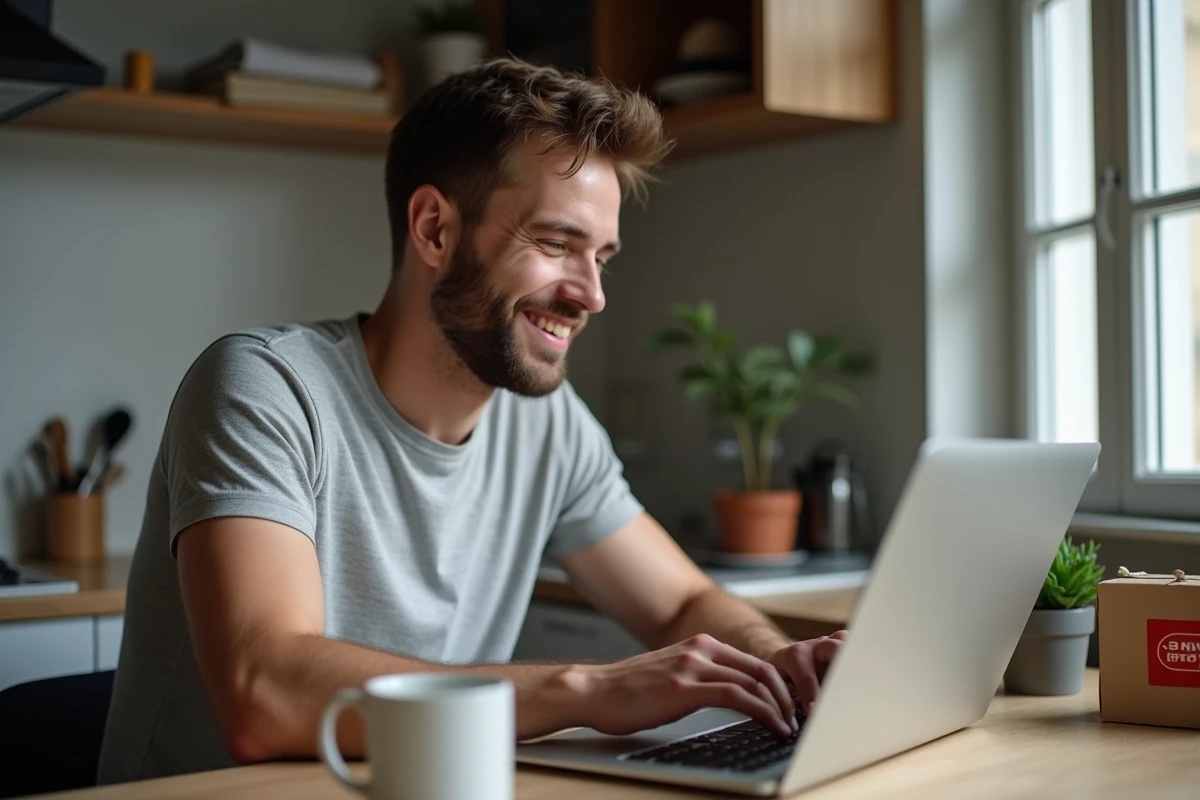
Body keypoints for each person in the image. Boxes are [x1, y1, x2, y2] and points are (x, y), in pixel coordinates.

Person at [96, 58, 846, 784]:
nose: (591, 294)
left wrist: (772, 661)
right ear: (433, 229)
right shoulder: (267, 388)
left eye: (602, 257)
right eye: (556, 244)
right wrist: (588, 690)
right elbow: (266, 690)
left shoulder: (547, 423)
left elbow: (682, 600)